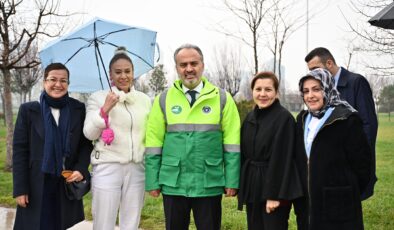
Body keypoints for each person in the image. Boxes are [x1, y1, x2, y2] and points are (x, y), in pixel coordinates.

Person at [145, 44, 241, 230]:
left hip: (208, 182)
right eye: (183, 65)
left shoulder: (222, 98)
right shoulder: (163, 99)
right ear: (177, 68)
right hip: (174, 183)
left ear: (202, 65)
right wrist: (152, 180)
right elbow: (153, 142)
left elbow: (232, 144)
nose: (189, 69)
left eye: (193, 63)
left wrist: (232, 180)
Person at [12, 63, 92, 230]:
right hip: (36, 183)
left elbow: (85, 145)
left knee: (60, 224)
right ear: (44, 82)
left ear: (68, 84)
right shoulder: (28, 110)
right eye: (53, 79)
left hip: (65, 180)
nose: (58, 84)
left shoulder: (77, 109)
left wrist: (81, 169)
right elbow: (20, 151)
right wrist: (20, 188)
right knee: (37, 225)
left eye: (63, 80)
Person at [293, 68, 372, 230]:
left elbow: (363, 165)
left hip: (340, 204)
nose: (310, 95)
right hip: (307, 204)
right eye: (306, 91)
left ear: (328, 88)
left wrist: (346, 191)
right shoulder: (301, 119)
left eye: (316, 89)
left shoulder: (347, 118)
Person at [83, 47, 151, 230]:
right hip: (108, 166)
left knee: (131, 221)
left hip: (137, 168)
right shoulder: (98, 97)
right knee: (104, 221)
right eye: (118, 72)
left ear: (133, 73)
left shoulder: (144, 100)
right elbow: (89, 133)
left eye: (127, 71)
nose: (123, 76)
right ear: (110, 74)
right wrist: (104, 110)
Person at [305, 47, 378, 200]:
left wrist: (358, 162)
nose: (311, 74)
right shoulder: (318, 89)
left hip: (350, 166)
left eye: (315, 68)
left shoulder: (356, 82)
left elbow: (369, 125)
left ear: (329, 63)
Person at [237, 72, 302, 230]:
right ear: (252, 91)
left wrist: (273, 195)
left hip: (275, 188)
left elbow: (283, 159)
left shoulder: (284, 118)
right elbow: (244, 154)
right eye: (258, 89)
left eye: (268, 89)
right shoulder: (250, 117)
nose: (262, 94)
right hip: (254, 186)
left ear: (276, 92)